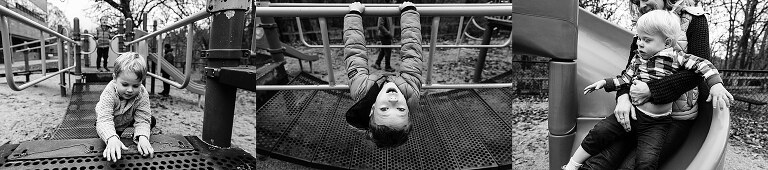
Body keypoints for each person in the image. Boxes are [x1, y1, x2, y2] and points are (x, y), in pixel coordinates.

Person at [564, 10, 731, 170]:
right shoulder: (638, 58)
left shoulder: (676, 57)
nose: (639, 44)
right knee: (599, 133)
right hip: (634, 114)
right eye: (639, 39)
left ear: (666, 43)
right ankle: (572, 165)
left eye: (646, 40)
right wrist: (605, 83)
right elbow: (625, 79)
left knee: (646, 161)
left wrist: (715, 84)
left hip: (656, 124)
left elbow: (703, 64)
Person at [344, 1, 422, 148]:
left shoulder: (361, 90)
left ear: (372, 108)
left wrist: (354, 14)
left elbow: (354, 52)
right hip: (392, 76)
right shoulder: (411, 92)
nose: (393, 100)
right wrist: (409, 12)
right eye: (400, 109)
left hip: (374, 82)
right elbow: (412, 52)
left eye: (384, 109)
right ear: (408, 111)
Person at [95, 52, 155, 162]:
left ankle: (137, 135)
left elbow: (143, 118)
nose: (130, 90)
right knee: (107, 138)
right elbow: (104, 119)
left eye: (136, 85)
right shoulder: (109, 93)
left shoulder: (142, 94)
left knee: (151, 120)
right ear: (115, 79)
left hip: (128, 118)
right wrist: (111, 138)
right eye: (125, 84)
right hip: (112, 120)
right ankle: (113, 136)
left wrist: (143, 137)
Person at [372, 0, 396, 72]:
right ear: (391, 1)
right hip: (384, 35)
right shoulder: (384, 10)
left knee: (383, 50)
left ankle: (377, 63)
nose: (395, 2)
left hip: (386, 34)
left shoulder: (389, 10)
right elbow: (380, 25)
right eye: (394, 0)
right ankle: (387, 67)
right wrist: (388, 33)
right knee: (388, 50)